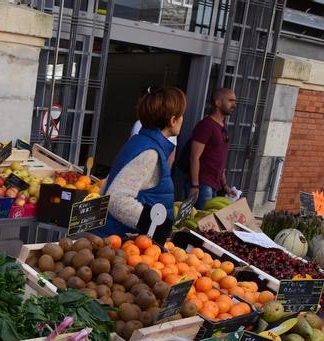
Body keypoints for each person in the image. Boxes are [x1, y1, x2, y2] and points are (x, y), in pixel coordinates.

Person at [96, 86, 187, 239]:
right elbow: (117, 199)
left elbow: (109, 183)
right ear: (173, 120)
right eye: (182, 115)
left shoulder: (139, 141)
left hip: (114, 238)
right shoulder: (150, 153)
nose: (183, 119)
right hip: (121, 244)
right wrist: (157, 226)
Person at [186, 87, 237, 208]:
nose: (234, 104)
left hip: (214, 185)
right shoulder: (206, 125)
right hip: (202, 184)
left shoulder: (223, 126)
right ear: (218, 103)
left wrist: (225, 185)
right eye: (230, 100)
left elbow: (220, 158)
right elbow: (194, 157)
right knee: (201, 221)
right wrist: (195, 185)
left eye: (235, 101)